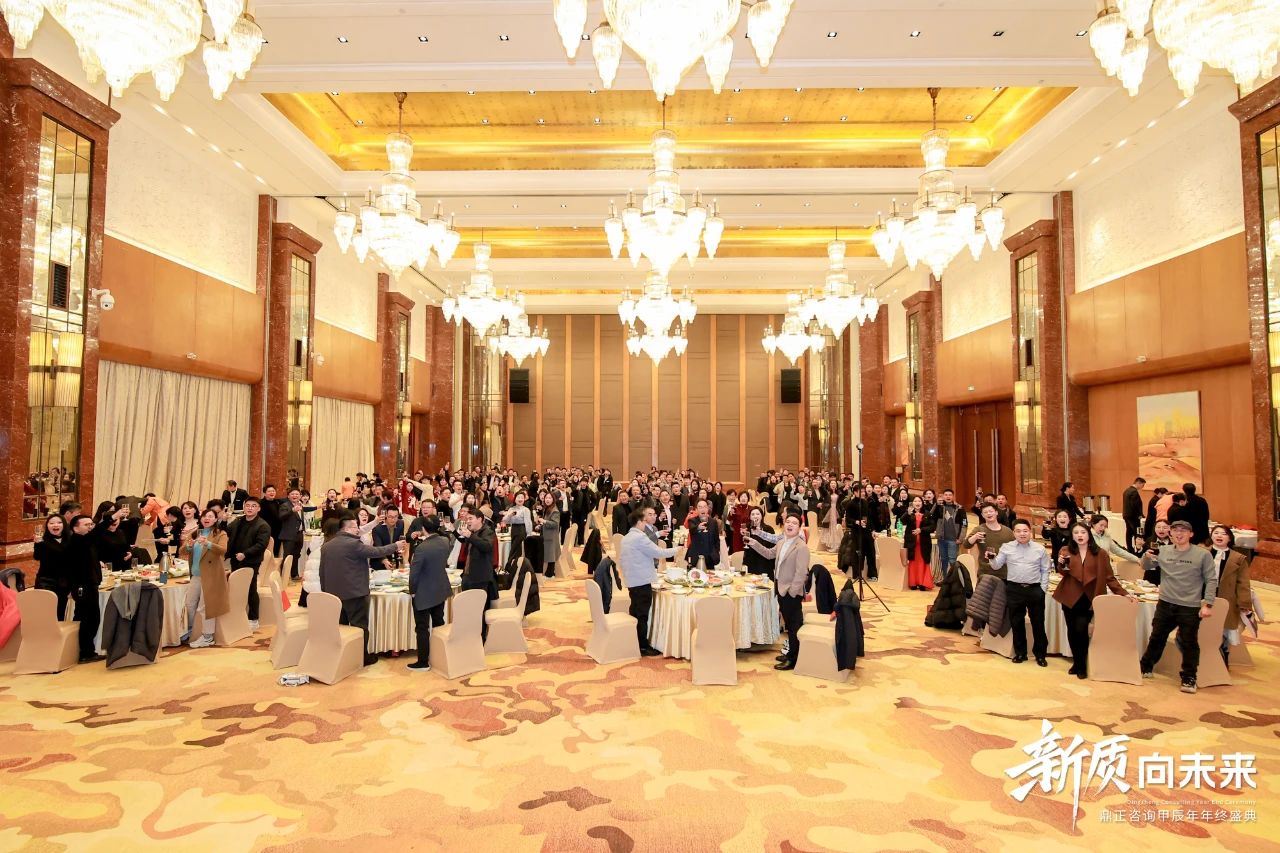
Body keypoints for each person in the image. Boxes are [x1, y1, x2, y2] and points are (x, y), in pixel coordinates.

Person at [1139, 520, 1218, 693]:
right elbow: (1146, 566)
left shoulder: (1202, 555)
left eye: (1183, 531)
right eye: (1175, 530)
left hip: (1189, 606)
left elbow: (1211, 580)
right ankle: (1145, 666)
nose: (1179, 534)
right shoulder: (1164, 551)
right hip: (1165, 603)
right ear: (1171, 534)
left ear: (1191, 534)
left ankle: (1189, 677)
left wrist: (1208, 603)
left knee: (1189, 642)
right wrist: (1146, 556)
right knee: (1157, 636)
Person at [319, 512, 406, 665]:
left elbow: (322, 571)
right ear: (347, 528)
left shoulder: (327, 546)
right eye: (355, 527)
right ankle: (362, 657)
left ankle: (343, 654)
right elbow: (376, 552)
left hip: (334, 595)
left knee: (341, 627)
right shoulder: (353, 544)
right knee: (359, 627)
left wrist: (326, 591)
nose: (358, 529)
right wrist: (396, 546)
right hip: (355, 593)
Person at [1052, 522, 1134, 679]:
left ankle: (1081, 665)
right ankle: (1077, 662)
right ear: (1072, 536)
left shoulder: (1100, 553)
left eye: (1083, 532)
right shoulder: (1066, 550)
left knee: (1081, 630)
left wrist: (1123, 593)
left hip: (1089, 597)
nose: (1079, 535)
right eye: (1076, 533)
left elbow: (1109, 577)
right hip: (1070, 595)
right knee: (1072, 631)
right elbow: (1063, 572)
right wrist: (1061, 565)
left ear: (1089, 534)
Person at [745, 512, 809, 671]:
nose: (790, 525)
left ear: (799, 528)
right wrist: (753, 542)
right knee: (789, 624)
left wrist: (792, 592)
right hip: (780, 588)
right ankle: (791, 653)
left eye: (794, 523)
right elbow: (768, 554)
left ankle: (793, 659)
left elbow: (801, 573)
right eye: (788, 522)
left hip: (791, 593)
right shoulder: (782, 542)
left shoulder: (801, 547)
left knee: (794, 626)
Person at [991, 519, 1051, 666]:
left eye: (1025, 531)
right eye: (1018, 531)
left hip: (1034, 589)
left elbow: (1045, 570)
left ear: (1030, 532)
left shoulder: (1039, 549)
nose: (1022, 534)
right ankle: (1020, 653)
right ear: (1014, 533)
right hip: (1014, 589)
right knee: (1016, 622)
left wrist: (1042, 589)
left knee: (1038, 623)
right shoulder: (1007, 547)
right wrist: (991, 558)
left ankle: (1040, 655)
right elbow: (996, 565)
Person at [618, 507, 677, 657]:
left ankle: (635, 641)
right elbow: (659, 552)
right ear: (639, 522)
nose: (646, 524)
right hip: (641, 580)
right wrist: (677, 550)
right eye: (644, 521)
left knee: (635, 611)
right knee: (642, 615)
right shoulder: (640, 537)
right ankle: (643, 646)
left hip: (632, 579)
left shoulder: (626, 537)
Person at [179, 507, 232, 648]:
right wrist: (189, 546)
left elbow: (223, 550)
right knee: (189, 604)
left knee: (205, 607)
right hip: (195, 575)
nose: (207, 518)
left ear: (215, 519)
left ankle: (208, 637)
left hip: (211, 576)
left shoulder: (220, 533)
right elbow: (181, 551)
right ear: (200, 518)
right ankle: (191, 630)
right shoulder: (195, 533)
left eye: (210, 516)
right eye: (204, 516)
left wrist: (208, 544)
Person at [407, 516, 453, 672]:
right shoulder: (445, 541)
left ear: (423, 529)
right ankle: (441, 654)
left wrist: (412, 591)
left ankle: (423, 662)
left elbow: (414, 574)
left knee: (422, 627)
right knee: (439, 621)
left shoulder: (422, 548)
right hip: (440, 587)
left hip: (424, 591)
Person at [1206, 525, 1252, 664]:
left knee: (1224, 627)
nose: (1219, 536)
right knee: (1205, 626)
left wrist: (1244, 603)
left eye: (1223, 534)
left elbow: (1243, 583)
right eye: (1216, 533)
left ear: (1230, 538)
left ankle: (1223, 655)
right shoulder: (1203, 553)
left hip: (1227, 597)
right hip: (1204, 596)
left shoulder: (1238, 558)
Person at [225, 497, 271, 630]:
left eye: (253, 506)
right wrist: (223, 520)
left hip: (251, 561)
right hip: (235, 559)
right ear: (244, 507)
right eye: (247, 505)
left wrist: (245, 554)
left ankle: (253, 618)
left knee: (250, 589)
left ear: (259, 508)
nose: (250, 508)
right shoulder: (238, 521)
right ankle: (237, 615)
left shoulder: (263, 525)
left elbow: (261, 545)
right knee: (236, 588)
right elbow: (226, 532)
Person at [65, 515, 103, 662]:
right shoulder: (77, 541)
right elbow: (96, 533)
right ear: (75, 528)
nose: (90, 527)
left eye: (91, 524)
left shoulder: (86, 541)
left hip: (90, 584)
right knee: (87, 618)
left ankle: (85, 651)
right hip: (83, 585)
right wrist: (111, 517)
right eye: (86, 525)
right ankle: (86, 652)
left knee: (90, 617)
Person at [457, 507, 498, 640]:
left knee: (479, 611)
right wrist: (454, 531)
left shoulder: (488, 531)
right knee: (469, 610)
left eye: (470, 519)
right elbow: (465, 542)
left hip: (480, 577)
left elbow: (487, 546)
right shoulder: (474, 532)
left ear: (480, 519)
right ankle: (470, 637)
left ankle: (480, 639)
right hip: (468, 575)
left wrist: (470, 536)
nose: (468, 521)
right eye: (467, 519)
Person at [33, 514, 71, 620]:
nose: (55, 525)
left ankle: (58, 630)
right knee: (45, 611)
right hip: (46, 580)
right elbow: (37, 557)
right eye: (51, 523)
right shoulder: (43, 540)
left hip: (64, 581)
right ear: (47, 526)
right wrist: (37, 544)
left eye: (59, 522)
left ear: (64, 525)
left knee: (60, 610)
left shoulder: (70, 539)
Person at [965, 503, 1014, 579]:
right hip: (985, 572)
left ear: (996, 512)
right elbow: (966, 545)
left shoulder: (1007, 531)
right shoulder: (979, 529)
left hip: (1005, 573)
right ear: (982, 515)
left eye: (991, 511)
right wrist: (975, 537)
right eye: (985, 512)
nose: (988, 513)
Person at [900, 495, 935, 592]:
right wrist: (907, 513)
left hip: (924, 543)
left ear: (922, 503)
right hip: (911, 543)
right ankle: (913, 583)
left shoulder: (927, 513)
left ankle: (923, 583)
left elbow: (932, 527)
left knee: (923, 562)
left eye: (919, 501)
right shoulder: (909, 513)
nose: (917, 503)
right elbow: (902, 521)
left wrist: (921, 530)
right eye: (915, 501)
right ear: (912, 503)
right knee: (913, 562)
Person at [931, 489, 966, 576]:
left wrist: (960, 538)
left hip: (954, 539)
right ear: (943, 496)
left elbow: (964, 524)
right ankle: (945, 578)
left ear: (953, 496)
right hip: (941, 539)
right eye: (946, 495)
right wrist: (936, 504)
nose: (948, 496)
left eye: (950, 495)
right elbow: (930, 516)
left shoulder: (959, 508)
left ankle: (954, 579)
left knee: (952, 560)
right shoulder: (939, 507)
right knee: (943, 559)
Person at [741, 507, 776, 580]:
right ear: (750, 517)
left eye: (757, 514)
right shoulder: (747, 528)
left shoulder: (768, 529)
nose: (755, 516)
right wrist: (741, 535)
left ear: (762, 516)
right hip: (751, 561)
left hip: (765, 562)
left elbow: (772, 548)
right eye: (753, 514)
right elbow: (743, 545)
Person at [537, 491, 561, 577]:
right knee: (549, 555)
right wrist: (540, 526)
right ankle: (549, 573)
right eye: (546, 498)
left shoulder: (555, 511)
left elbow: (555, 524)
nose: (547, 500)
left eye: (549, 498)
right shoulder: (547, 508)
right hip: (547, 534)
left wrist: (544, 521)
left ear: (553, 499)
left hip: (551, 536)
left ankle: (550, 574)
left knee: (551, 555)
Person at [1121, 476, 1146, 554]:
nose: (1142, 487)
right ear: (1138, 483)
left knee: (1129, 532)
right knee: (1136, 533)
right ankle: (1137, 549)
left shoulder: (1126, 491)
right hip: (1133, 516)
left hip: (1126, 514)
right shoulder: (1134, 492)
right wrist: (1140, 514)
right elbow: (1135, 505)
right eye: (1142, 485)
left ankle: (1130, 548)